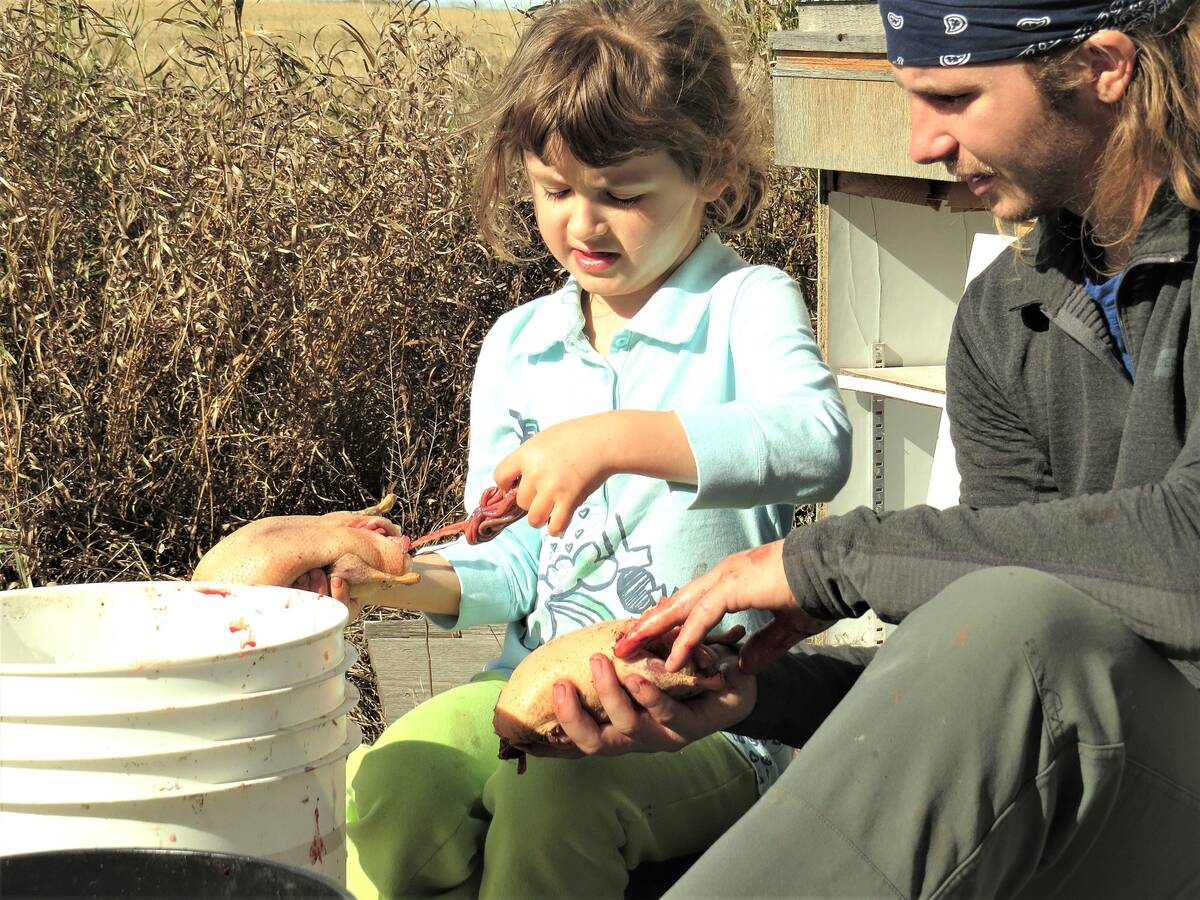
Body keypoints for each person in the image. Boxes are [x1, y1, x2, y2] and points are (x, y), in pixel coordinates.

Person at [542, 0, 1200, 896]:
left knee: (1021, 626)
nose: (922, 142)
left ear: (1105, 67)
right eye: (910, 99)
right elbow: (967, 654)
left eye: (955, 98)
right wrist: (757, 696)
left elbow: (1181, 558)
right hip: (1116, 796)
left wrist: (824, 562)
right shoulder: (1004, 315)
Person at [201, 0, 850, 895]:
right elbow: (508, 565)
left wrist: (613, 441)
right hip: (527, 692)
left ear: (714, 169)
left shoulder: (746, 305)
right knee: (385, 787)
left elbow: (817, 440)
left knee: (556, 810)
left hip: (705, 716)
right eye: (555, 190)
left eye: (622, 194)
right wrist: (391, 581)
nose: (583, 223)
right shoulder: (519, 345)